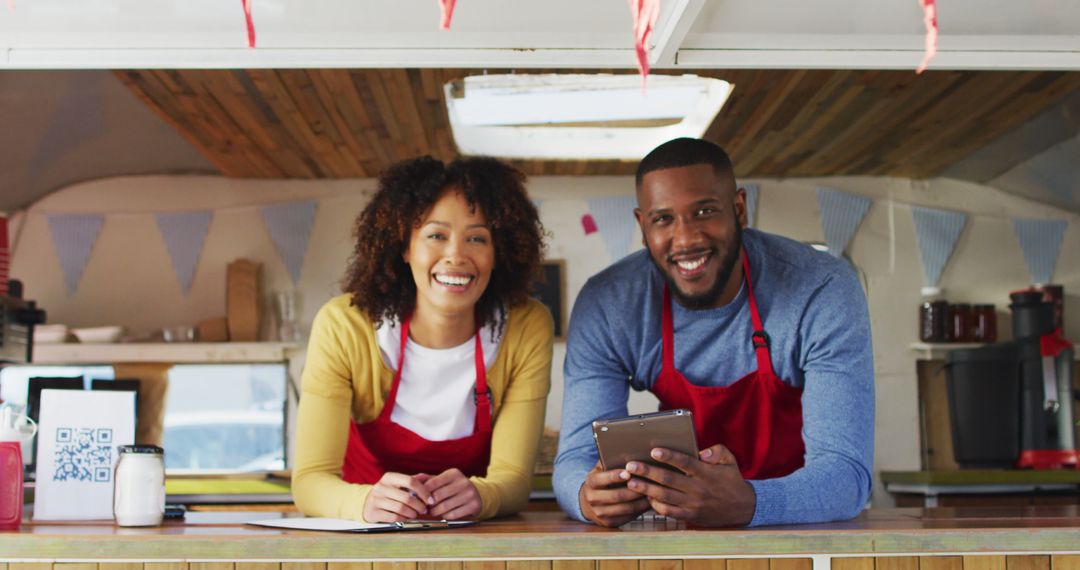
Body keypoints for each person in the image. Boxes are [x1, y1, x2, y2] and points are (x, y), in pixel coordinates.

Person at [553, 138, 874, 528]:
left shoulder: (821, 288)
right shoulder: (609, 304)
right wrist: (588, 498)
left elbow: (846, 476)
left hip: (801, 526)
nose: (686, 239)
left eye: (705, 211)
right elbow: (575, 461)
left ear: (739, 210)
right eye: (663, 219)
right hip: (679, 529)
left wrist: (751, 503)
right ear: (642, 226)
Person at [293, 156, 553, 523]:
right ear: (404, 247)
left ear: (499, 253)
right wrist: (365, 502)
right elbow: (309, 483)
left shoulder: (526, 326)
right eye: (436, 235)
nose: (456, 256)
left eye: (477, 238)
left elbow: (513, 480)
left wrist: (484, 494)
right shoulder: (344, 325)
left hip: (471, 544)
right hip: (361, 539)